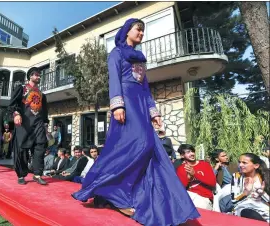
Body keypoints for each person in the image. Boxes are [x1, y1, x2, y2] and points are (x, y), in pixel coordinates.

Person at [71, 19, 200, 225]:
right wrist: (117, 105)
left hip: (140, 104)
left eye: (143, 30)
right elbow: (114, 79)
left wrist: (154, 112)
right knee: (138, 146)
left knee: (150, 148)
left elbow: (145, 88)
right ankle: (116, 194)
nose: (141, 33)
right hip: (126, 104)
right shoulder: (116, 54)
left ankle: (147, 199)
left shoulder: (140, 58)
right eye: (138, 29)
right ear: (127, 31)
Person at [7, 67, 49, 185]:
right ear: (30, 76)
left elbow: (44, 112)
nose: (38, 76)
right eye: (36, 74)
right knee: (21, 149)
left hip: (38, 124)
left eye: (39, 75)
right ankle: (21, 174)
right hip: (24, 123)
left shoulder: (42, 94)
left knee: (40, 146)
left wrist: (45, 126)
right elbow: (12, 104)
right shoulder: (21, 89)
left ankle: (37, 174)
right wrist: (16, 114)